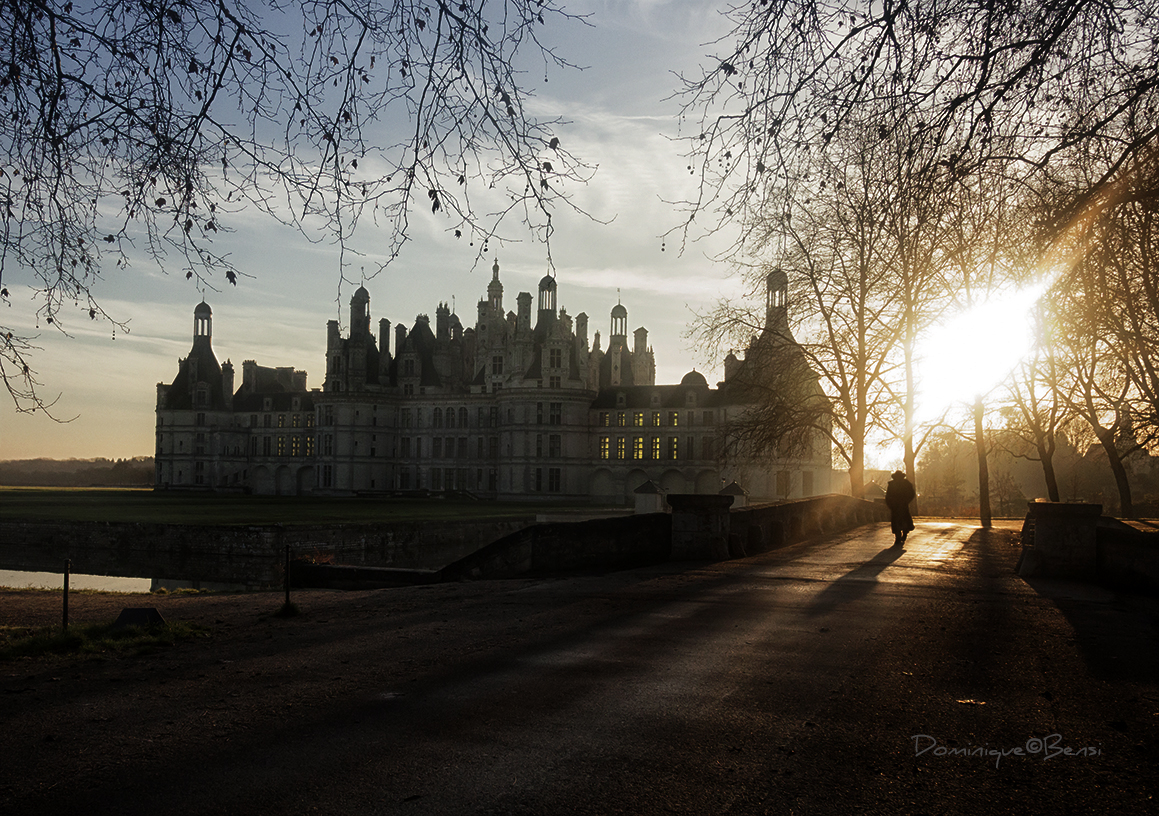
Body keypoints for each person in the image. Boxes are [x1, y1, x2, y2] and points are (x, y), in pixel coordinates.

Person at [885, 470, 916, 547]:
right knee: (904, 520)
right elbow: (912, 494)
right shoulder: (906, 484)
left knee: (896, 521)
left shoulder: (892, 484)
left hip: (896, 506)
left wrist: (890, 504)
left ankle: (898, 536)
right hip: (902, 505)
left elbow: (888, 496)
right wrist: (907, 501)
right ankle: (902, 534)